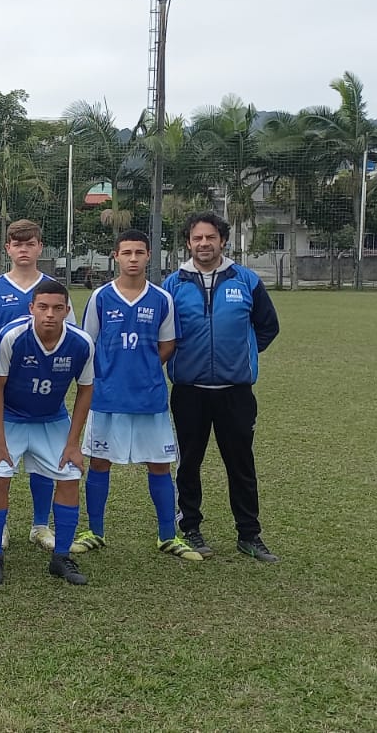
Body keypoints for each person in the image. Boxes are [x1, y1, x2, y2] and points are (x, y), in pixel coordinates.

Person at [71, 230, 200, 561]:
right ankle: (95, 532)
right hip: (108, 396)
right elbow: (89, 344)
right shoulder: (101, 297)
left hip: (149, 397)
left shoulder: (161, 299)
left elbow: (168, 342)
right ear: (116, 256)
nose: (132, 259)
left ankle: (167, 536)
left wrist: (144, 368)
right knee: (100, 462)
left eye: (139, 253)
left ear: (147, 257)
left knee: (159, 464)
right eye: (126, 253)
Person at [163, 211, 281, 562]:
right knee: (188, 464)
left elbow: (267, 327)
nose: (204, 244)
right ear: (188, 242)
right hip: (189, 391)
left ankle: (249, 534)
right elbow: (163, 334)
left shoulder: (245, 280)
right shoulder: (174, 284)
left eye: (210, 238)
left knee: (241, 464)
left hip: (236, 392)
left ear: (222, 241)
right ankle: (191, 529)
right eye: (197, 238)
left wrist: (240, 356)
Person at [0, 279, 94, 586]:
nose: (49, 314)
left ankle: (61, 558)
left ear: (67, 311)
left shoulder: (81, 342)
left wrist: (73, 444)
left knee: (70, 475)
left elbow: (86, 390)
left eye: (57, 308)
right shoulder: (12, 335)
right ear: (31, 308)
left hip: (51, 418)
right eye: (42, 307)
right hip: (11, 419)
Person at [0, 218, 71, 553]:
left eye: (31, 244)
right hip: (5, 391)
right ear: (8, 248)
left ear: (40, 247)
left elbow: (67, 339)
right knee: (0, 461)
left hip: (44, 394)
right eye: (18, 244)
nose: (24, 250)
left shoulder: (53, 289)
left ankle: (40, 525)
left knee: (44, 463)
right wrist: (0, 367)